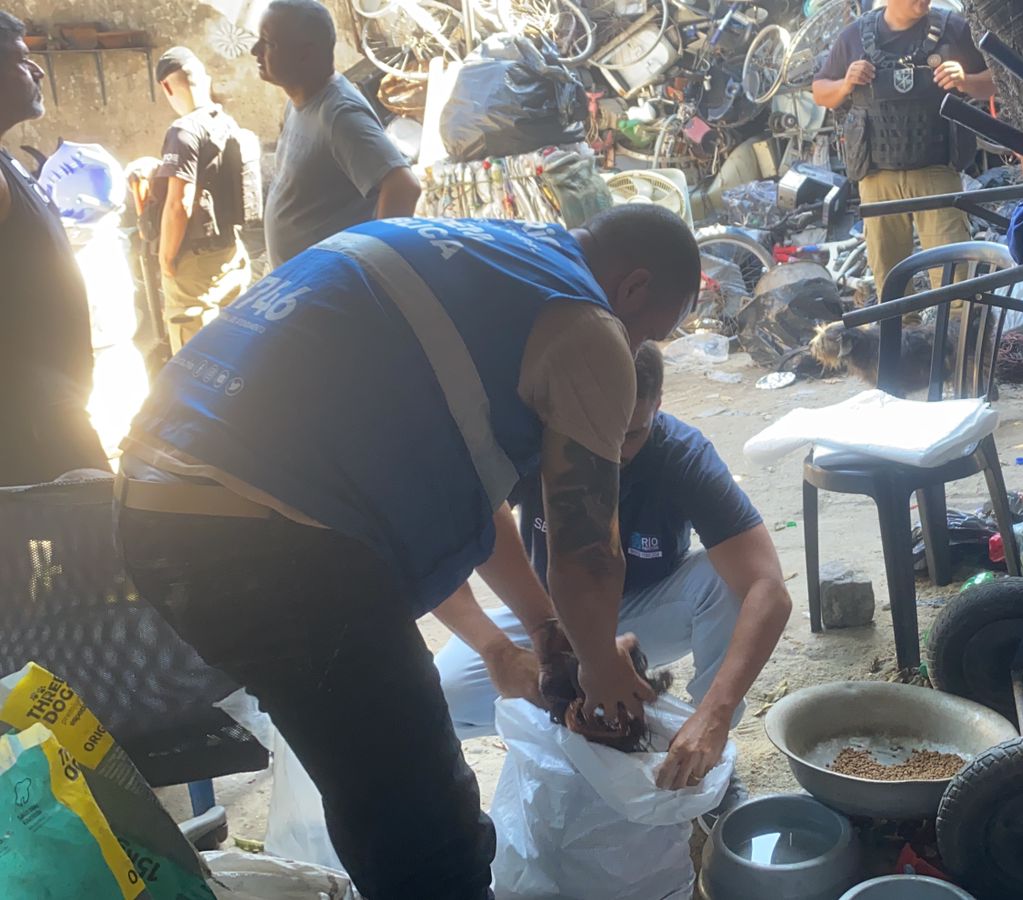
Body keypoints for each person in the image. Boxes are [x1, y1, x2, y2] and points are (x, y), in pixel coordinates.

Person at [115, 205, 701, 900]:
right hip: (259, 532)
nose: (634, 352)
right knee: (425, 826)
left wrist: (543, 633)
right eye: (647, 335)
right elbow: (587, 554)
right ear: (632, 289)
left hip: (158, 501)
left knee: (381, 780)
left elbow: (470, 500)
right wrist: (603, 668)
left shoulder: (490, 253)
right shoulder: (589, 324)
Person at [433, 341, 792, 790]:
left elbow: (769, 587)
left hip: (648, 610)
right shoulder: (535, 446)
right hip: (551, 613)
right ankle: (567, 730)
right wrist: (500, 651)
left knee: (730, 584)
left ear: (657, 406)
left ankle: (700, 744)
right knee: (446, 692)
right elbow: (435, 548)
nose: (609, 454)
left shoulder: (681, 456)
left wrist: (715, 714)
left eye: (631, 434)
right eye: (594, 432)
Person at [812, 0, 995, 288]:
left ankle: (958, 332)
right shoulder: (854, 36)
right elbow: (820, 92)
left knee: (956, 283)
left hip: (936, 173)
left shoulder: (953, 28)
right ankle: (900, 332)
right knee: (890, 287)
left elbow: (997, 81)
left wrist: (965, 80)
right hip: (877, 179)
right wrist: (845, 84)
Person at [0, 10, 107, 485]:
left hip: (48, 409)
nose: (37, 70)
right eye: (22, 61)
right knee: (56, 543)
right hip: (32, 423)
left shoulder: (6, 160)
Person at [251, 0, 420, 268]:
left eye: (268, 43)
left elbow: (403, 187)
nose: (255, 51)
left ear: (305, 53)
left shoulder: (340, 115)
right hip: (302, 289)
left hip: (334, 293)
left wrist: (377, 267)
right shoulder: (298, 103)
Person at [153, 47, 258, 351]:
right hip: (231, 253)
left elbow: (179, 204)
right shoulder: (226, 122)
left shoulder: (183, 131)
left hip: (195, 268)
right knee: (236, 348)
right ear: (205, 79)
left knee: (195, 360)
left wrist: (165, 259)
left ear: (167, 86)